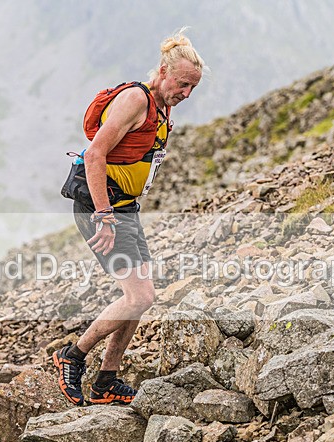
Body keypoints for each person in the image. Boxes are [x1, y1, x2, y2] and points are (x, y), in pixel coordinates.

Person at [53, 29, 204, 406]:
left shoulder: (163, 105)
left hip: (124, 208)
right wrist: (104, 215)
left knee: (138, 295)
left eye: (192, 89)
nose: (185, 94)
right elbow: (94, 154)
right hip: (102, 208)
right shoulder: (136, 99)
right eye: (182, 84)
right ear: (164, 72)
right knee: (141, 295)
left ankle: (107, 378)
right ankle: (72, 357)